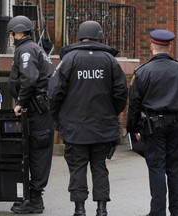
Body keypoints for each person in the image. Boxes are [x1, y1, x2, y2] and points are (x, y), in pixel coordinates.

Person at [48, 20, 128, 216]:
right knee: (100, 168)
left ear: (80, 36)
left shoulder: (69, 59)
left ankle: (80, 209)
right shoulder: (110, 61)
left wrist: (58, 117)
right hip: (103, 127)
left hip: (75, 128)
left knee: (77, 168)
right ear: (99, 36)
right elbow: (121, 93)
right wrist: (112, 112)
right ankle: (102, 209)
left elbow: (54, 92)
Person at [127, 29, 178, 216]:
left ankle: (158, 212)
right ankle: (177, 211)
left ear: (152, 46)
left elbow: (134, 104)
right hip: (177, 125)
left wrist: (132, 129)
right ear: (169, 47)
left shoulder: (143, 72)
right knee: (176, 169)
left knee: (156, 169)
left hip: (153, 127)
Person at [6, 15, 54, 214]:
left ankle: (35, 200)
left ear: (18, 33)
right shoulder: (34, 48)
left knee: (38, 152)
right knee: (35, 151)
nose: (10, 37)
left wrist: (20, 102)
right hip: (39, 109)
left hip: (37, 110)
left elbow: (29, 78)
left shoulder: (25, 50)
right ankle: (32, 197)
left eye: (11, 34)